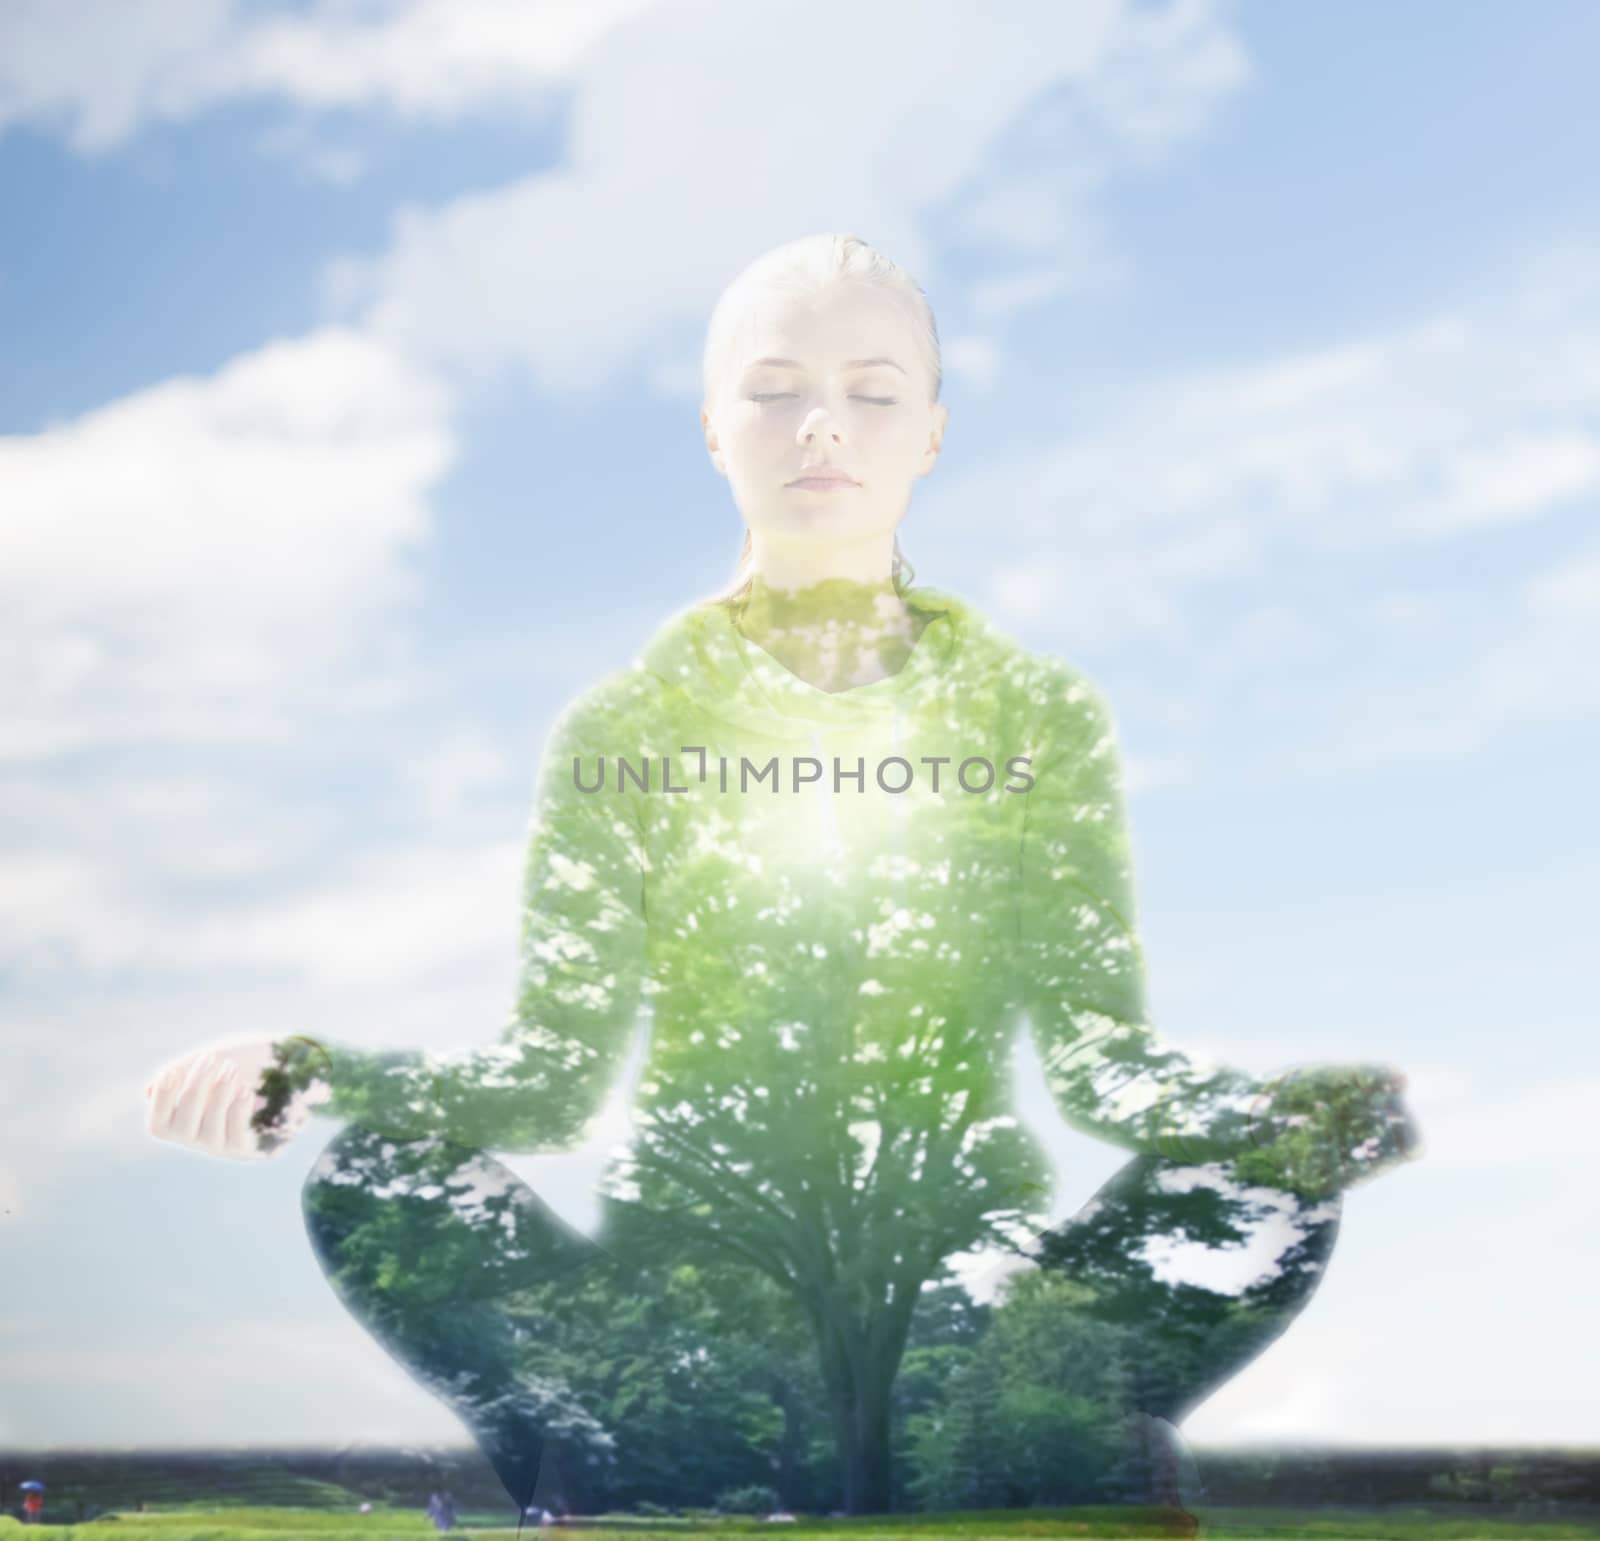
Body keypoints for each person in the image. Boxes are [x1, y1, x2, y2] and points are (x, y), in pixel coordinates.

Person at [144, 232, 1421, 1526]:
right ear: (713, 427)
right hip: (689, 1296)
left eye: (872, 393)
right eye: (775, 390)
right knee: (383, 1176)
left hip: (959, 1278)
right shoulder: (625, 730)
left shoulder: (1037, 717)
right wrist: (313, 1068)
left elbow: (1100, 1058)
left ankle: (919, 1434)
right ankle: (689, 1442)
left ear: (929, 432)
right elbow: (548, 1073)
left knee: (1257, 1184)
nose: (824, 428)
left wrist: (1279, 1116)